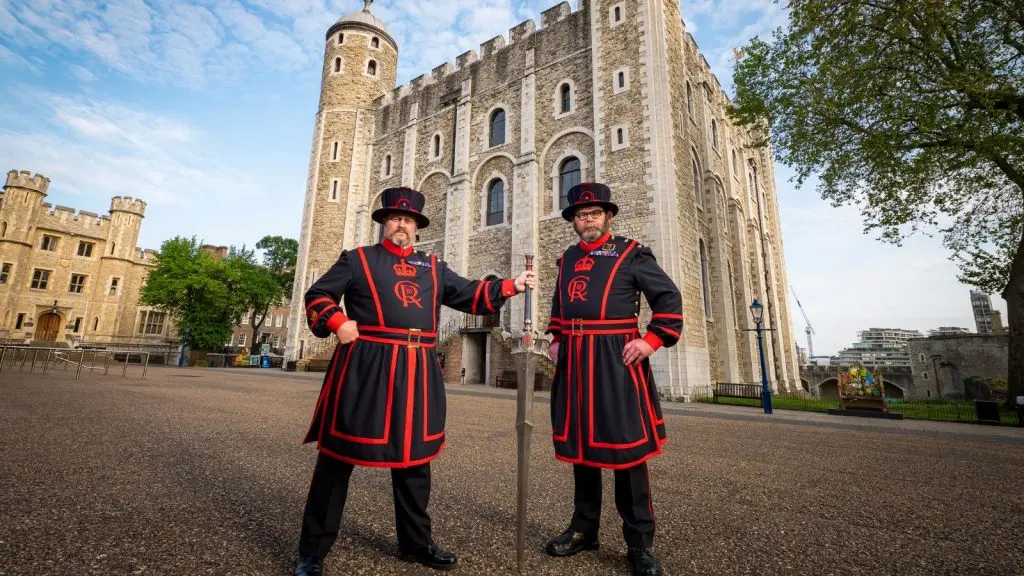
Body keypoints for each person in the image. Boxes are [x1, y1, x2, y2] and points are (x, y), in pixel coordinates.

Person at [295, 186, 536, 575]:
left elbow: (471, 295)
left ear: (418, 228)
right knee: (337, 461)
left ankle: (416, 543)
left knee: (414, 462)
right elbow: (318, 295)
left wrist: (510, 285)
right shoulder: (357, 260)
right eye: (394, 218)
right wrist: (337, 322)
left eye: (408, 220)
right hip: (364, 367)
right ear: (383, 223)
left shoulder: (433, 267)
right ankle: (312, 551)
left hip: (417, 370)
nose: (400, 225)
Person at [542, 182, 683, 576]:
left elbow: (668, 298)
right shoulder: (567, 258)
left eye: (593, 214)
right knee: (583, 450)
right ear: (574, 221)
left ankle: (639, 544)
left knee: (627, 453)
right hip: (575, 360)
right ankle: (584, 530)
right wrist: (556, 337)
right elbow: (560, 303)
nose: (587, 220)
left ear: (608, 216)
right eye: (580, 215)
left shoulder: (631, 252)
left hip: (617, 357)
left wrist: (651, 340)